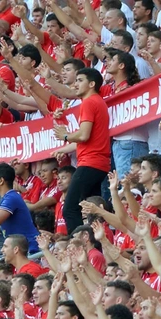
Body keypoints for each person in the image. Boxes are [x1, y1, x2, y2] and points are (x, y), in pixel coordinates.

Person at [53, 68, 111, 234]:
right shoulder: (97, 101)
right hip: (98, 163)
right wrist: (65, 147)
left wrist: (65, 136)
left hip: (90, 163)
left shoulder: (89, 102)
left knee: (70, 208)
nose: (75, 84)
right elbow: (88, 139)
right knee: (92, 210)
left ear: (92, 84)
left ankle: (79, 245)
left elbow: (84, 135)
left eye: (79, 80)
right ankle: (98, 242)